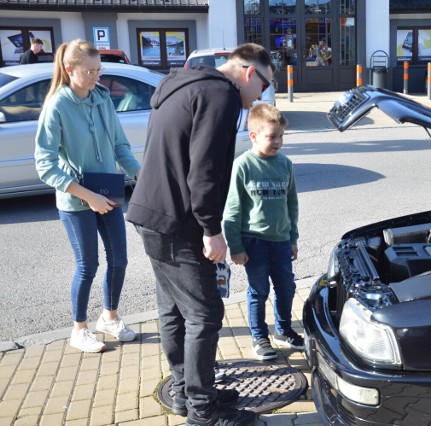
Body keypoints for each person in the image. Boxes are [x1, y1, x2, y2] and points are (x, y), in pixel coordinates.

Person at [126, 43, 274, 426]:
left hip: (152, 212)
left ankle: (186, 390)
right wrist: (212, 230)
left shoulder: (183, 85)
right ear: (248, 73)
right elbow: (204, 171)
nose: (261, 97)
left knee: (173, 309)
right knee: (205, 314)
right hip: (179, 221)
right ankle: (203, 411)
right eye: (264, 86)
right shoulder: (219, 95)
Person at [34, 39, 141, 353]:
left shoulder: (103, 99)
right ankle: (79, 329)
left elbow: (120, 144)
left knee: (119, 259)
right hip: (76, 200)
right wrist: (86, 195)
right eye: (90, 71)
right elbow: (45, 164)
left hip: (107, 194)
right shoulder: (57, 105)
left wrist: (139, 173)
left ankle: (109, 317)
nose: (97, 76)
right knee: (88, 265)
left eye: (99, 70)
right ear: (70, 70)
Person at [223, 103, 303, 362]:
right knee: (258, 291)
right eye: (272, 136)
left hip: (280, 242)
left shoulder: (285, 164)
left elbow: (292, 204)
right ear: (254, 136)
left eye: (281, 136)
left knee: (287, 288)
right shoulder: (243, 165)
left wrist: (292, 239)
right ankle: (259, 337)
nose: (278, 142)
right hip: (254, 242)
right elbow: (232, 209)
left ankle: (284, 329)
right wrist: (235, 246)